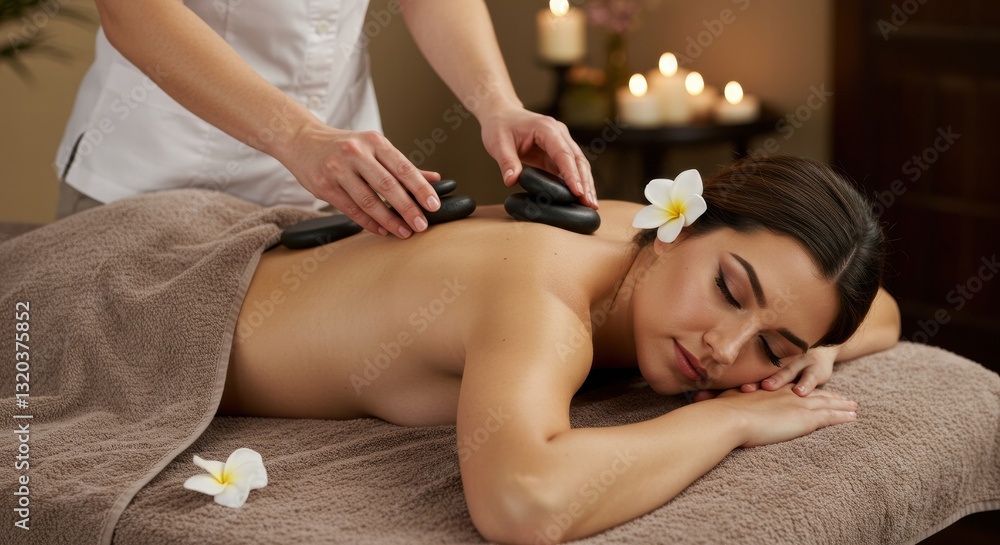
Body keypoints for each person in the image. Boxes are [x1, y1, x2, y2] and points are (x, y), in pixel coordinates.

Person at [216, 155, 901, 544]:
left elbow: (884, 311)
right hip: (173, 301)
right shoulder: (543, 294)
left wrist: (817, 352)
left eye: (772, 343)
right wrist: (728, 419)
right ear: (677, 227)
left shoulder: (632, 235)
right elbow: (523, 502)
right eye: (727, 289)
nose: (724, 349)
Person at [54, 0, 597, 237]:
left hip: (330, 197)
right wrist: (298, 136)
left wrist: (495, 102)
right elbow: (132, 10)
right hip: (152, 178)